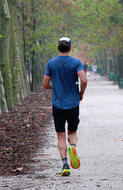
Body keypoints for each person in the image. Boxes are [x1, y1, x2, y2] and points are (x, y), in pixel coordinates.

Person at [42, 37, 88, 177]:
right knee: (72, 132)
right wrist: (81, 92)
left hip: (58, 104)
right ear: (70, 48)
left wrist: (54, 87)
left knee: (61, 136)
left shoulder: (51, 63)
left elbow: (44, 85)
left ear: (58, 48)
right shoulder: (76, 62)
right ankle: (72, 147)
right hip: (73, 103)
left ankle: (64, 165)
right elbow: (84, 79)